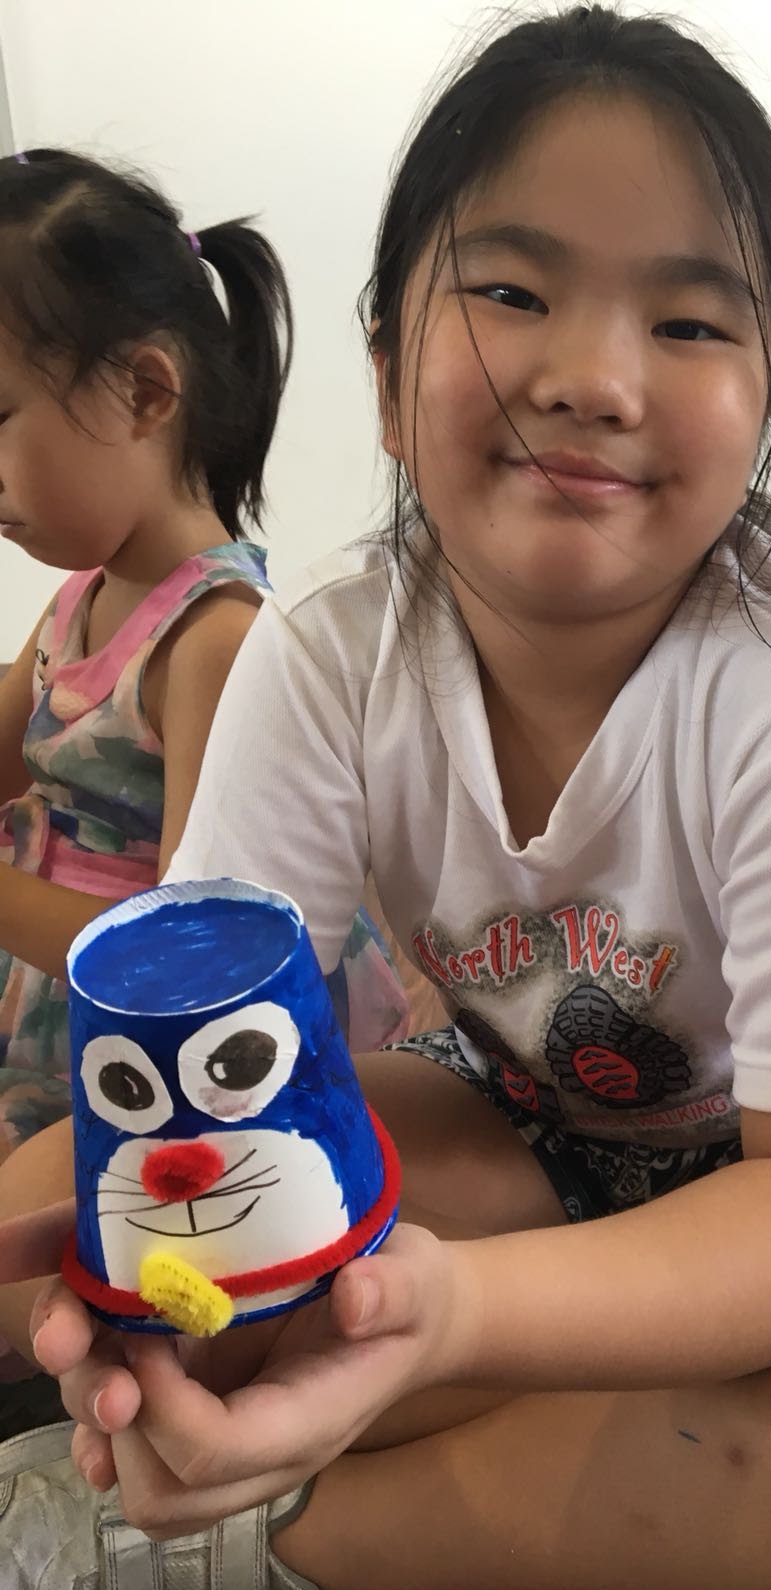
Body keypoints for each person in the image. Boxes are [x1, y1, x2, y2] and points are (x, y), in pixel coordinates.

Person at [1, 12, 771, 1590]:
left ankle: (292, 1537)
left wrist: (452, 1317)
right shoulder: (325, 655)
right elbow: (220, 1074)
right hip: (531, 1125)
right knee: (59, 1203)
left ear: (764, 411)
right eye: (510, 293)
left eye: (690, 323)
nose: (592, 379)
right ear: (385, 372)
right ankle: (746, 1490)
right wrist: (169, 1296)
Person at [0, 149, 408, 1165]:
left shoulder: (215, 638)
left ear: (146, 393)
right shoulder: (80, 598)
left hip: (172, 1062)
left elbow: (184, 953)